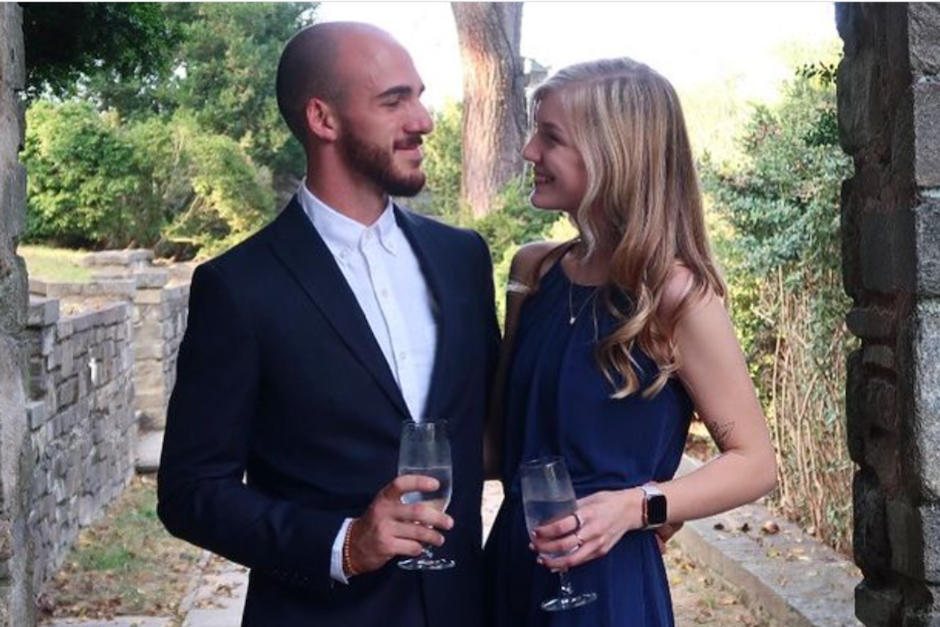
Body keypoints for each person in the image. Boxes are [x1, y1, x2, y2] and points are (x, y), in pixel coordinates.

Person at [157, 22, 499, 626]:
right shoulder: (238, 287)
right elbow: (191, 492)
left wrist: (642, 501)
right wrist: (342, 543)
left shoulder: (463, 259)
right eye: (394, 101)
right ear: (323, 119)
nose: (423, 120)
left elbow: (498, 429)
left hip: (464, 610)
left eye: (418, 95)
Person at [483, 57, 778, 626]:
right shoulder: (533, 272)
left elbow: (755, 463)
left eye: (550, 136)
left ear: (613, 153)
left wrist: (640, 506)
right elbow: (501, 444)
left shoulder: (675, 293)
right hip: (510, 570)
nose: (528, 153)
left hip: (608, 588)